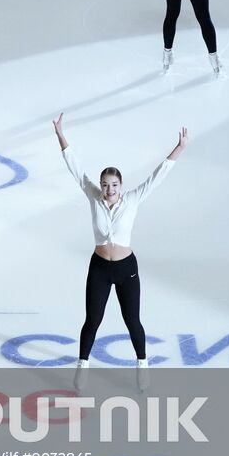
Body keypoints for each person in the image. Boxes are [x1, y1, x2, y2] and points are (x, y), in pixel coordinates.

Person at [52, 114, 186, 391]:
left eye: (114, 185)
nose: (109, 189)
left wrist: (179, 148)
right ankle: (82, 367)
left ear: (121, 186)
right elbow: (75, 167)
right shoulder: (93, 195)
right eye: (105, 184)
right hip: (100, 267)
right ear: (100, 186)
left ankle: (142, 365)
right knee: (92, 320)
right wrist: (60, 134)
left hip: (126, 269)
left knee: (132, 320)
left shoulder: (134, 199)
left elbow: (157, 176)